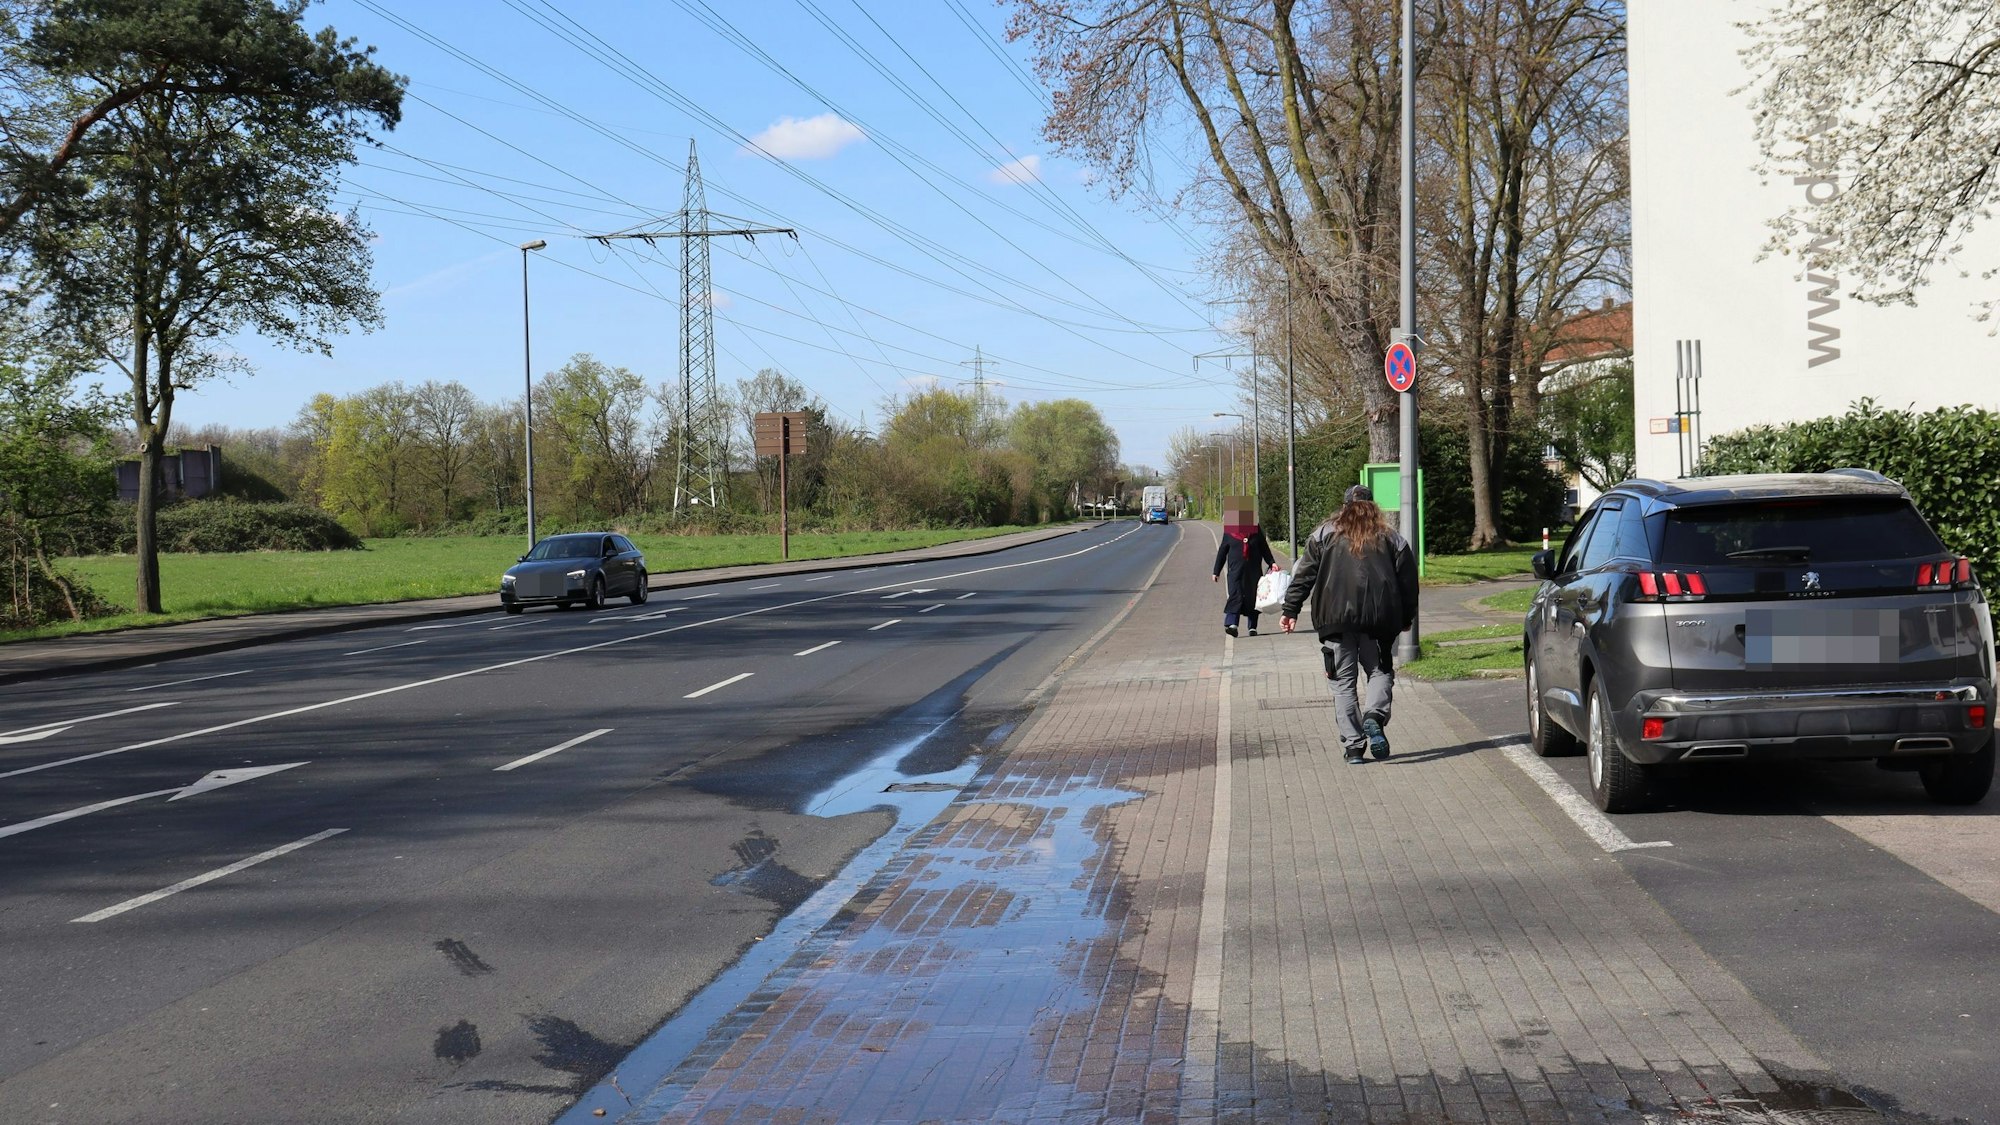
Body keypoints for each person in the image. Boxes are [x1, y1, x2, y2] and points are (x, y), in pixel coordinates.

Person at [1280, 485, 1420, 764]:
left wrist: (1290, 609)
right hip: (1378, 621)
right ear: (1372, 507)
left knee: (1343, 683)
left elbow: (1305, 575)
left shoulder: (1323, 535)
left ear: (1344, 508)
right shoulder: (1392, 538)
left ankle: (1354, 748)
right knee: (1379, 672)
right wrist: (1405, 619)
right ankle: (1374, 716)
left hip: (1335, 621)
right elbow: (1408, 585)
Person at [1212, 515, 1277, 637]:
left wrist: (1272, 562)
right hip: (1235, 572)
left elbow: (1264, 548)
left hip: (1253, 572)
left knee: (1253, 598)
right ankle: (1232, 625)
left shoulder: (1256, 530)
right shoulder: (1230, 532)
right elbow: (1222, 551)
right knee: (1235, 595)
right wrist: (1216, 571)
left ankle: (1252, 627)